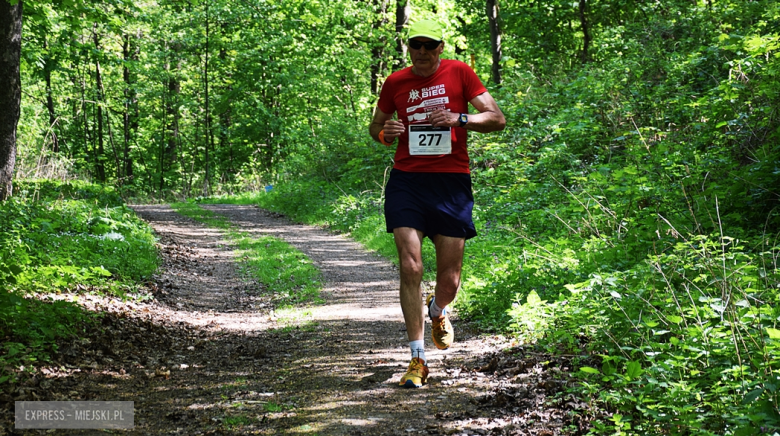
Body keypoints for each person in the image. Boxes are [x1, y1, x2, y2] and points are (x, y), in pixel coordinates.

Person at [368, 18, 506, 388]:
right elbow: (375, 126)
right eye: (418, 46)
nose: (424, 52)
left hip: (451, 182)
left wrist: (460, 118)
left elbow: (497, 119)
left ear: (441, 48)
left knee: (450, 278)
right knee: (410, 266)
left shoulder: (460, 73)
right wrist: (386, 134)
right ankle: (417, 359)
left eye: (431, 46)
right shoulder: (396, 82)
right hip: (407, 182)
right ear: (409, 48)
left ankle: (438, 309)